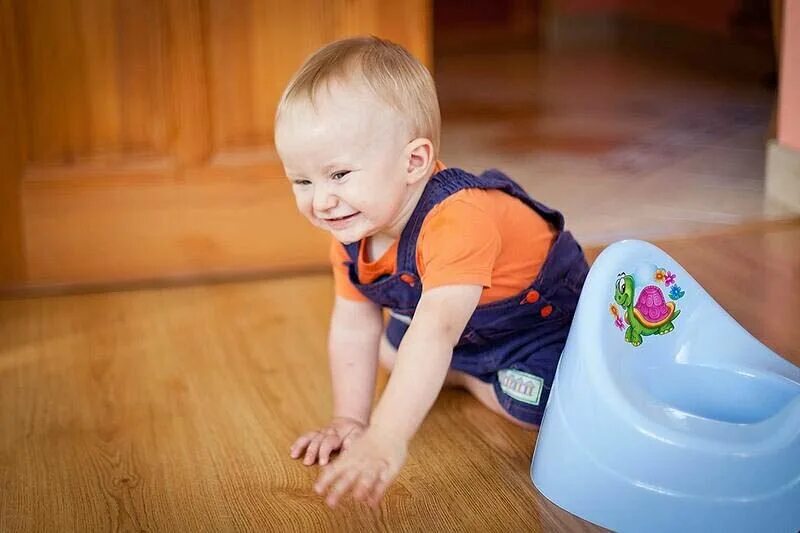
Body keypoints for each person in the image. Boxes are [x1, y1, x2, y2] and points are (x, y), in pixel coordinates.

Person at [274, 35, 589, 509]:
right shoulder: (352, 229)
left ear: (414, 162)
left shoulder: (458, 219)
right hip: (452, 323)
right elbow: (353, 322)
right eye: (302, 181)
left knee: (540, 408)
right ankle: (456, 369)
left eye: (338, 175)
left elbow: (436, 329)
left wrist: (385, 438)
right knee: (387, 354)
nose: (320, 201)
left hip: (535, 322)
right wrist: (352, 422)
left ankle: (471, 377)